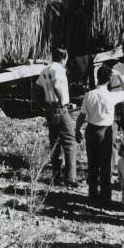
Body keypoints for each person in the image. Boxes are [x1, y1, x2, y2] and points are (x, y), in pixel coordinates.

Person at [75, 64, 116, 208]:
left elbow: (82, 115)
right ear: (109, 79)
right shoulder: (112, 96)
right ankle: (105, 197)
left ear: (97, 78)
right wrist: (116, 74)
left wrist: (77, 130)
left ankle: (92, 195)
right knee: (105, 165)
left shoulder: (89, 94)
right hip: (105, 131)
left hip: (91, 130)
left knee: (92, 164)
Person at [37, 48, 78, 188]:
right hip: (60, 108)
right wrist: (62, 102)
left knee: (55, 141)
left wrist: (43, 103)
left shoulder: (45, 69)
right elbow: (56, 85)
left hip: (49, 108)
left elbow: (37, 86)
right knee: (70, 141)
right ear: (65, 57)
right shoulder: (59, 69)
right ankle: (70, 177)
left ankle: (56, 176)